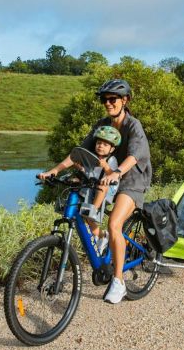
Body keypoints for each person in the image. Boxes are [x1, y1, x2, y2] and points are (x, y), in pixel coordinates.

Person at [38, 78, 152, 304]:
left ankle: (118, 282)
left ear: (125, 100)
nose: (108, 103)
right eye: (104, 100)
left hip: (132, 178)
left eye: (112, 99)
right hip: (105, 176)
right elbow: (78, 153)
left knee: (114, 224)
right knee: (85, 209)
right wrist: (54, 171)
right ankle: (102, 239)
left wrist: (117, 172)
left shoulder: (133, 125)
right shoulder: (103, 125)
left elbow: (134, 156)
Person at [77, 125, 121, 255]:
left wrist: (106, 166)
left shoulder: (111, 160)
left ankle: (94, 209)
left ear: (111, 148)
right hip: (94, 188)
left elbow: (112, 175)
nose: (100, 146)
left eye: (105, 144)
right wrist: (81, 169)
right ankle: (102, 236)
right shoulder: (93, 158)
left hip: (107, 189)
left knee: (90, 214)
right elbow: (91, 175)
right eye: (99, 143)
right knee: (88, 220)